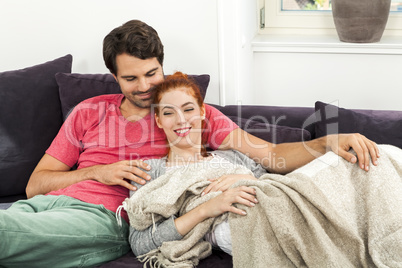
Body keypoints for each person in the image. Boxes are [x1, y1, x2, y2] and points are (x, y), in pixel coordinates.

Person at [0, 19, 378, 267]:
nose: (145, 86)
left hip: (106, 218)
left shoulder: (189, 115)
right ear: (113, 76)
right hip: (49, 205)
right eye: (131, 78)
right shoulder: (87, 111)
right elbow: (35, 186)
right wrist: (102, 170)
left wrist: (327, 141)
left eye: (152, 73)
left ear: (162, 65)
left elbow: (271, 155)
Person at [125, 72, 402, 268]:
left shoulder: (233, 155)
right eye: (169, 112)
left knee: (383, 155)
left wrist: (245, 177)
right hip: (238, 224)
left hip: (276, 202)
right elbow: (139, 243)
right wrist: (208, 208)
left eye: (188, 109)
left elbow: (277, 186)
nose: (181, 120)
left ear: (201, 113)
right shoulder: (151, 170)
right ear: (159, 120)